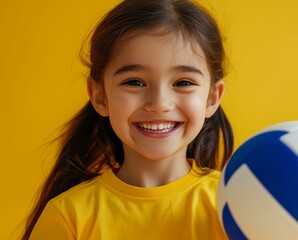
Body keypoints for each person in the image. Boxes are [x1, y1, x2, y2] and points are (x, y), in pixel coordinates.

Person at [23, 0, 233, 239]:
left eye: (183, 83)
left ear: (211, 98)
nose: (159, 104)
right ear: (100, 96)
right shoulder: (69, 217)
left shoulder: (234, 205)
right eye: (134, 82)